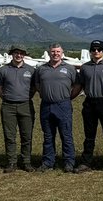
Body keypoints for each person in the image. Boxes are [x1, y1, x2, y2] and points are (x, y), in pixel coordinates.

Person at [75, 40, 103, 173]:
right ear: (90, 52)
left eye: (99, 49)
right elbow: (80, 85)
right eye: (93, 49)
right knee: (89, 135)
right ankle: (86, 162)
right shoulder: (84, 67)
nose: (96, 52)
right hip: (89, 103)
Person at [33, 43, 79, 173]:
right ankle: (48, 162)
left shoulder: (69, 68)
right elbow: (37, 84)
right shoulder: (41, 69)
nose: (55, 54)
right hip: (46, 105)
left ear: (62, 53)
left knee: (66, 135)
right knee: (48, 135)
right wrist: (45, 94)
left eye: (58, 51)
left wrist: (69, 97)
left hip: (63, 105)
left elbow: (77, 85)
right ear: (49, 53)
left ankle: (69, 162)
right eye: (53, 51)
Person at [0, 45, 35, 173]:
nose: (19, 55)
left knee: (26, 135)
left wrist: (26, 97)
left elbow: (34, 87)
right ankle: (12, 162)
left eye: (21, 53)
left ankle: (26, 162)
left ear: (24, 55)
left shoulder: (31, 70)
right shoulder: (3, 70)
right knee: (9, 136)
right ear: (12, 54)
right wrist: (6, 97)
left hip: (26, 105)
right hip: (8, 106)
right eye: (16, 53)